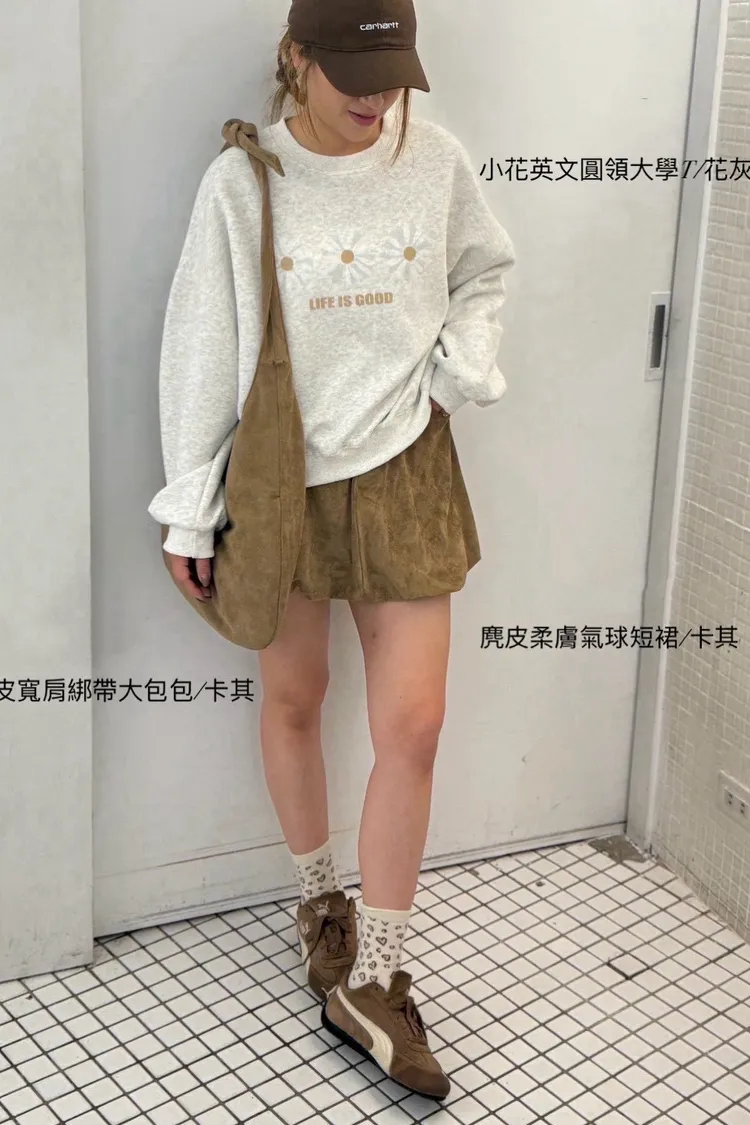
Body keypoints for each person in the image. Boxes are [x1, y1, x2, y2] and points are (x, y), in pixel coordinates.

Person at [148, 0, 515, 1102]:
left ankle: (380, 974)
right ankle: (321, 908)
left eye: (393, 72)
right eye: (355, 73)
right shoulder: (243, 182)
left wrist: (458, 371)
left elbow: (485, 271)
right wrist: (189, 508)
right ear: (296, 58)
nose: (377, 97)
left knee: (416, 723)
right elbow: (201, 346)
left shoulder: (433, 160)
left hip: (407, 468)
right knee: (296, 697)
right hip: (283, 480)